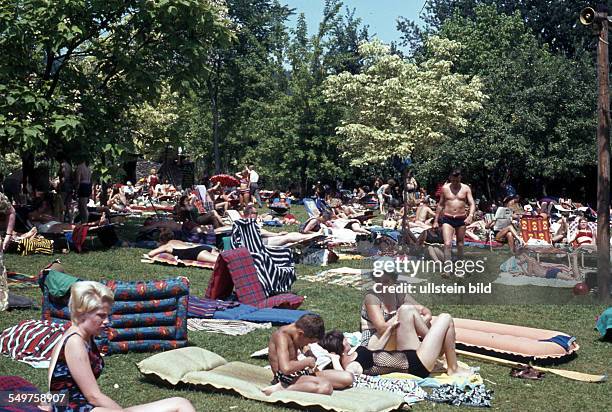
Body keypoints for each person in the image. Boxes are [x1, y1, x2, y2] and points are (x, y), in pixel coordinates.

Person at [47, 281, 195, 411]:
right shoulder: (75, 342)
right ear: (82, 314)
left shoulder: (83, 336)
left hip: (82, 406)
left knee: (181, 403)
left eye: (107, 315)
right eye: (101, 315)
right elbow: (93, 396)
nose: (107, 322)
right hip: (72, 408)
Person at [321, 309, 473, 378]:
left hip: (408, 355)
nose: (347, 339)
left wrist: (390, 330)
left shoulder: (353, 352)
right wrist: (335, 360)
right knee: (446, 317)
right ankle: (453, 368)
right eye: (344, 340)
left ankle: (437, 346)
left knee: (406, 310)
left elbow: (374, 349)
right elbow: (345, 377)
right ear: (339, 349)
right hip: (416, 366)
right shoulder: (352, 366)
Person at [262, 314, 353, 396]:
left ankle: (301, 385)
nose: (308, 344)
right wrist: (307, 362)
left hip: (298, 373)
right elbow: (286, 369)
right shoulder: (281, 336)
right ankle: (282, 388)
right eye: (309, 342)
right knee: (325, 387)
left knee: (348, 377)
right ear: (301, 334)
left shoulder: (297, 331)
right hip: (285, 378)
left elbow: (302, 345)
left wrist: (309, 353)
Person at [433, 169, 475, 264]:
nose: (455, 182)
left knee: (460, 244)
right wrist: (435, 220)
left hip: (461, 219)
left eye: (457, 180)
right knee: (447, 244)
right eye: (453, 180)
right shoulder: (445, 188)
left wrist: (470, 216)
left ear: (460, 178)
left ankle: (460, 265)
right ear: (450, 178)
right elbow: (440, 205)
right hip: (448, 218)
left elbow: (472, 204)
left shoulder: (466, 188)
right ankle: (447, 267)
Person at [147, 229, 219, 264]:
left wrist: (159, 247)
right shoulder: (178, 241)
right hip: (200, 247)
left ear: (161, 240)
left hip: (195, 252)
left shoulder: (166, 246)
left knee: (221, 262)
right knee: (225, 258)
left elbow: (150, 254)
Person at [58, 156, 73, 222]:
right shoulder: (69, 166)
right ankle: (70, 220)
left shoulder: (63, 165)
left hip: (64, 186)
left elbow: (64, 176)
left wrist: (60, 186)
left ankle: (61, 221)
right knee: (68, 205)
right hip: (70, 186)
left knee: (61, 204)